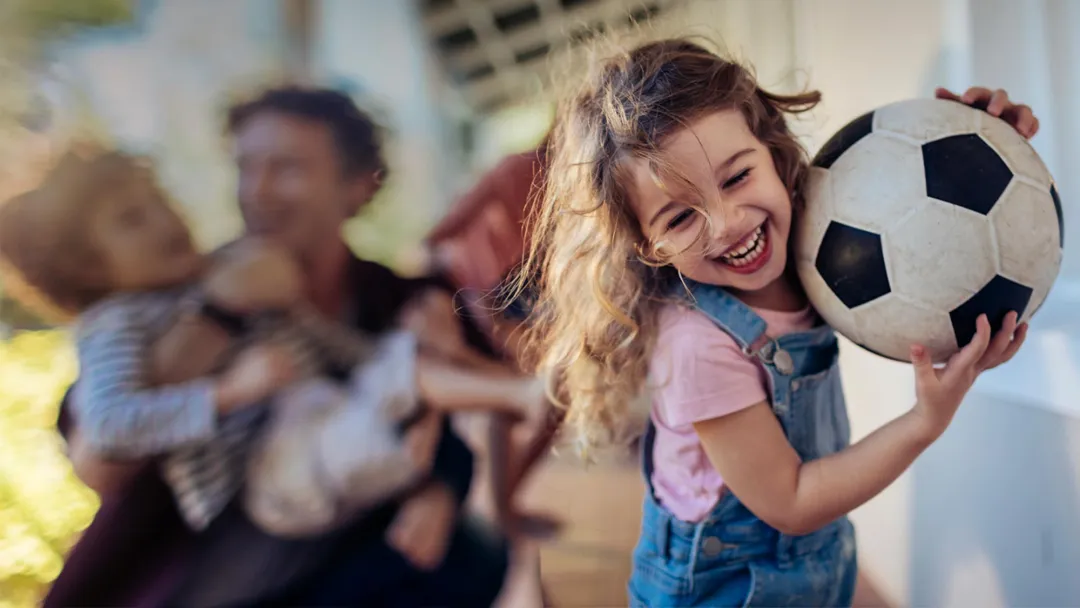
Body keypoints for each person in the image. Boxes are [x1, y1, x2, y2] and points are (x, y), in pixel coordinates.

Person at [512, 38, 1036, 607]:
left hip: (812, 562)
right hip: (724, 591)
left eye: (737, 177)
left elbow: (917, 211)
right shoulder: (697, 348)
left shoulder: (818, 232)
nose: (728, 225)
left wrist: (981, 144)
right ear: (647, 245)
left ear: (773, 151)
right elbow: (790, 500)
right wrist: (922, 423)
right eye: (682, 217)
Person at [43, 86, 512, 607]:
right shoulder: (183, 288)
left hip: (336, 549)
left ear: (359, 185)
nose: (258, 192)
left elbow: (478, 411)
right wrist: (220, 314)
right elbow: (99, 462)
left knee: (475, 555)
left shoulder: (404, 301)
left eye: (287, 168)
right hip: (185, 574)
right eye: (247, 167)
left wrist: (439, 483)